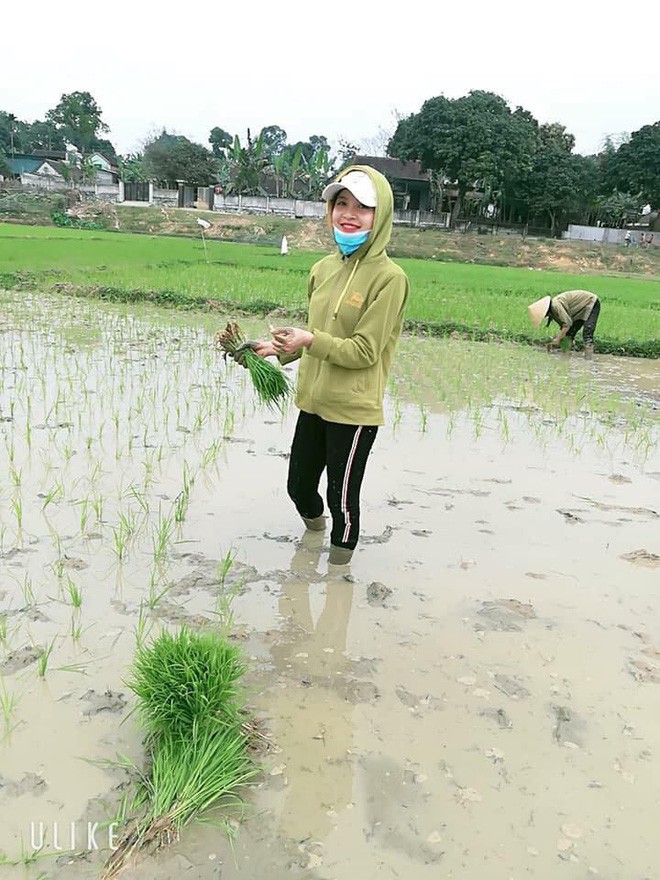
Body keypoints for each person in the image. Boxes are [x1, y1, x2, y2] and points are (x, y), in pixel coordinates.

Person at [233, 165, 410, 566]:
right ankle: (312, 542)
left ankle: (337, 580)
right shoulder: (322, 269)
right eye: (341, 203)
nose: (349, 213)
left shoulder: (390, 279)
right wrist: (273, 350)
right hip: (313, 401)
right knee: (298, 487)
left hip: (353, 410)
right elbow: (313, 335)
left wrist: (311, 339)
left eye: (362, 207)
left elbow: (364, 350)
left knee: (342, 501)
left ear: (379, 217)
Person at [527, 290, 601, 359]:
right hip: (579, 308)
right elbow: (564, 328)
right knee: (569, 334)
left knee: (588, 332)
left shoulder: (556, 306)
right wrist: (561, 337)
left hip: (591, 302)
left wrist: (557, 339)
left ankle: (588, 360)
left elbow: (567, 325)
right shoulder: (553, 312)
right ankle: (565, 356)